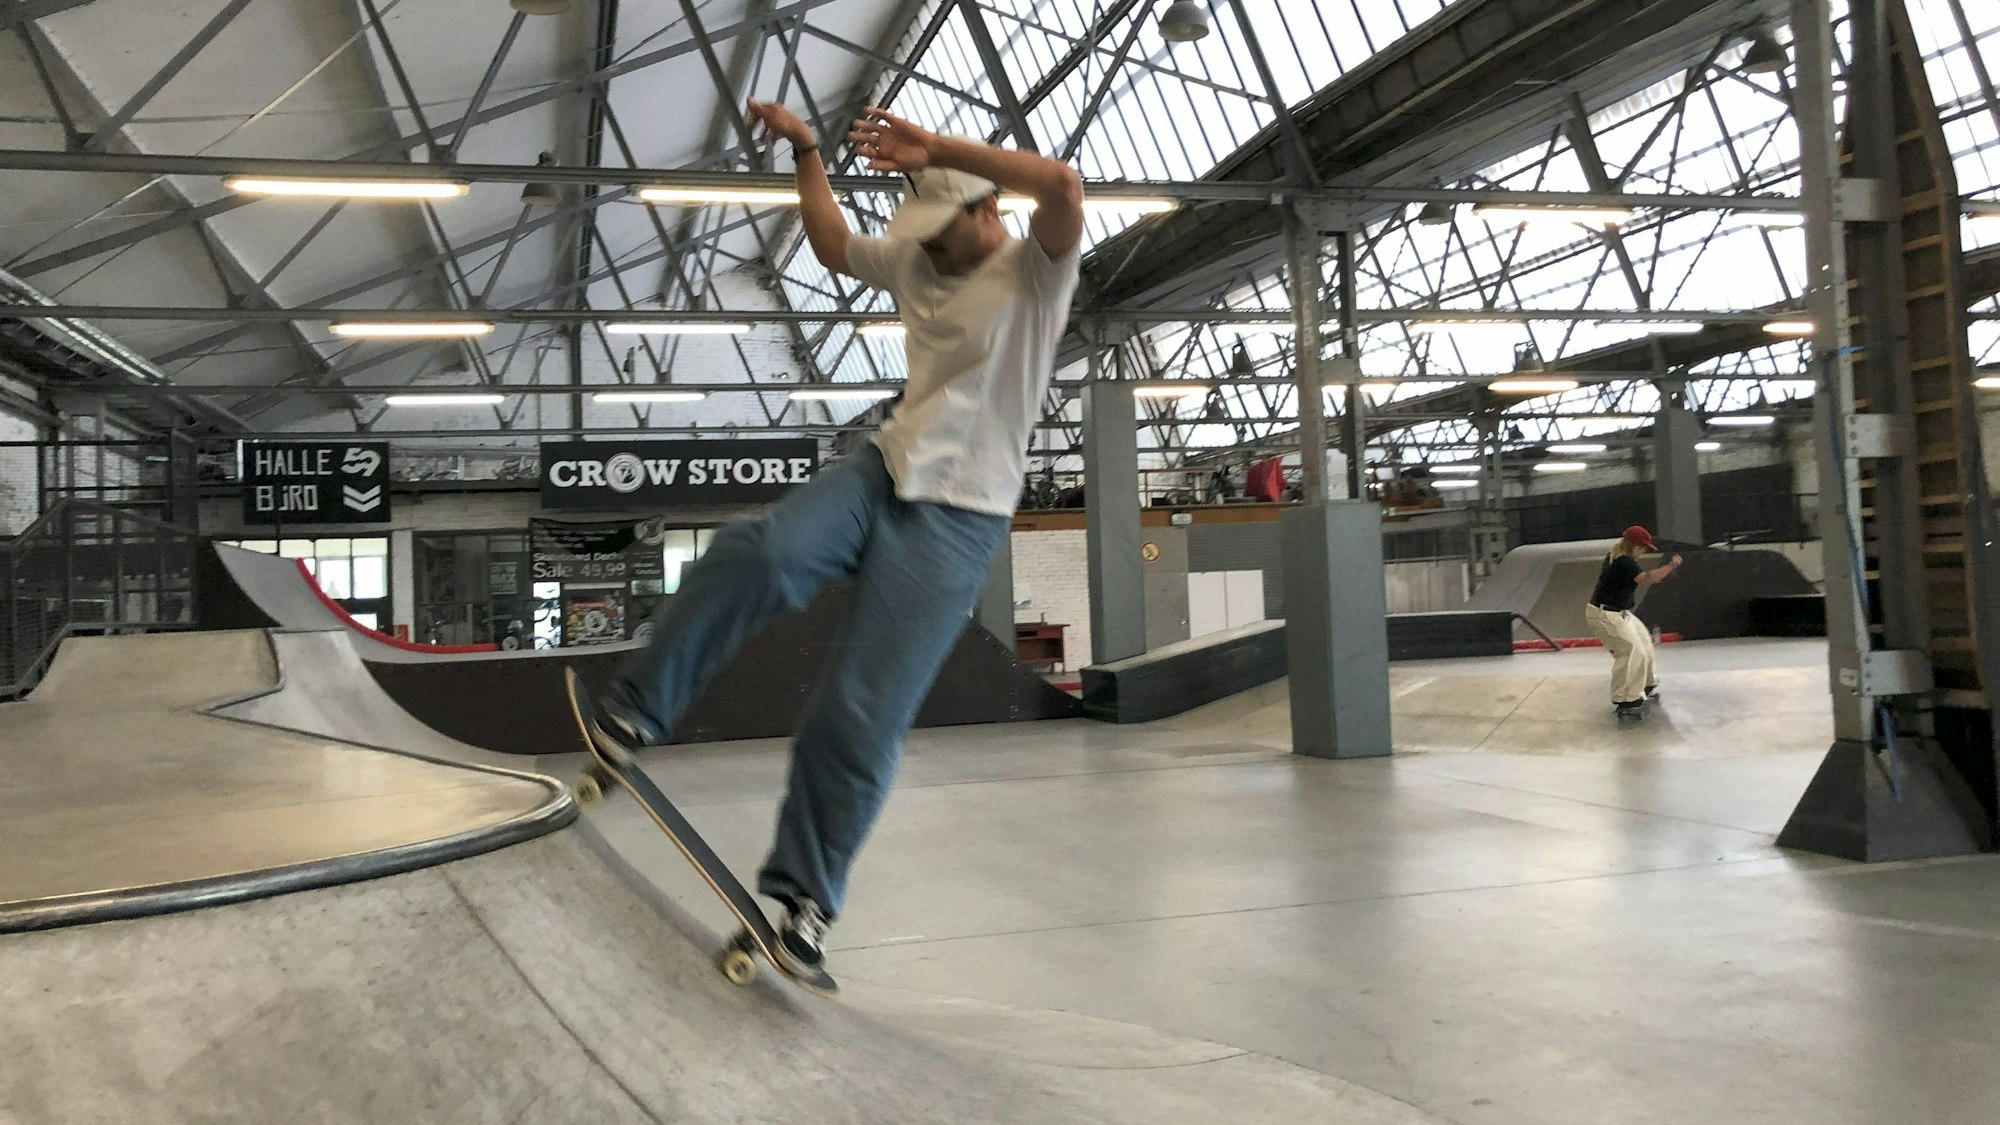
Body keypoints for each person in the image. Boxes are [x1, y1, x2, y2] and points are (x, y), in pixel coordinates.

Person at [586, 97, 1085, 978]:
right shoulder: (917, 259)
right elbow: (828, 243)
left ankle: (808, 898)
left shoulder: (1037, 270)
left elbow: (1061, 181)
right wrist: (809, 152)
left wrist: (940, 147)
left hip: (960, 520)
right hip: (879, 472)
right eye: (919, 234)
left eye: (944, 230)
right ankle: (638, 708)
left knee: (857, 711)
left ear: (984, 211)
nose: (926, 249)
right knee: (759, 550)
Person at [1585, 525, 1683, 720]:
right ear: (1633, 546)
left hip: (1620, 613)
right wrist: (1671, 566)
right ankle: (1625, 700)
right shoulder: (1623, 561)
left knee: (1644, 642)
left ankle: (1646, 684)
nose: (1643, 552)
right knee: (1630, 652)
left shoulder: (1618, 556)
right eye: (1642, 548)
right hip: (1605, 615)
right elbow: (1648, 579)